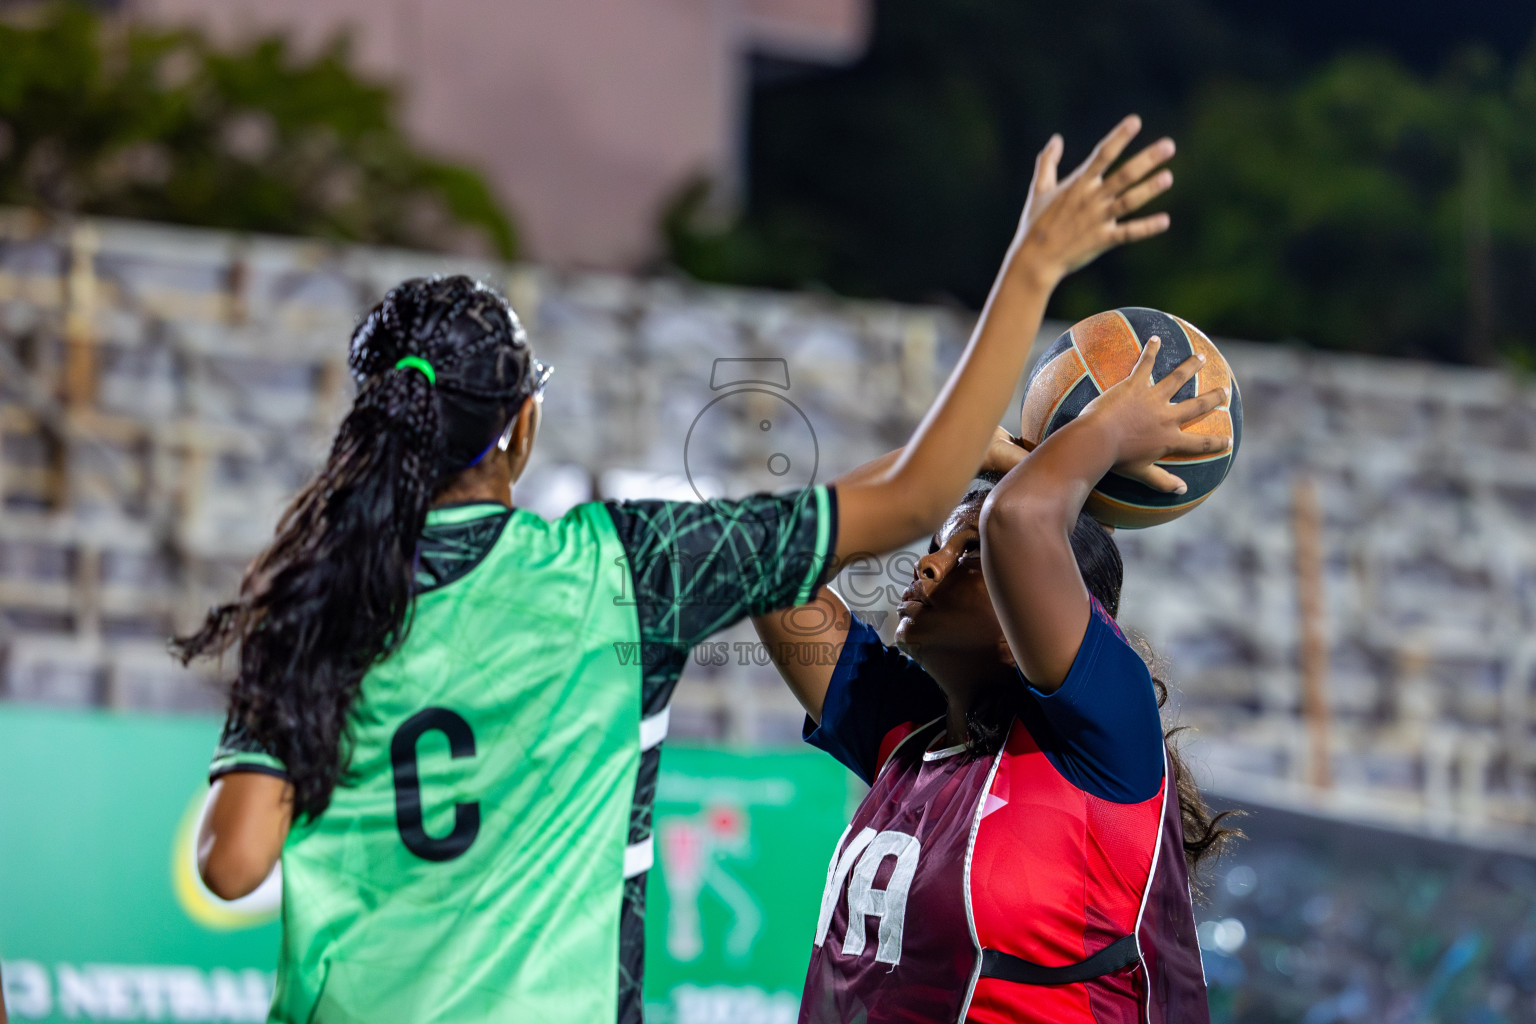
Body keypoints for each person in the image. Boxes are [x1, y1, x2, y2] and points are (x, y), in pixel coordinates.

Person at [178, 115, 1186, 1024]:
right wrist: (1034, 341)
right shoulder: (645, 585)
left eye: (967, 556)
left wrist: (1071, 443)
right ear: (523, 424)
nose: (932, 556)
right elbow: (813, 562)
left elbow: (233, 863)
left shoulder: (1104, 735)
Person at [752, 341, 1239, 1024]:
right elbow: (769, 558)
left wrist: (1103, 431)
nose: (927, 569)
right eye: (933, 547)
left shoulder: (1106, 737)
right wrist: (951, 458)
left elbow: (1021, 517)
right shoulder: (909, 740)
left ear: (1032, 614)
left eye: (968, 556)